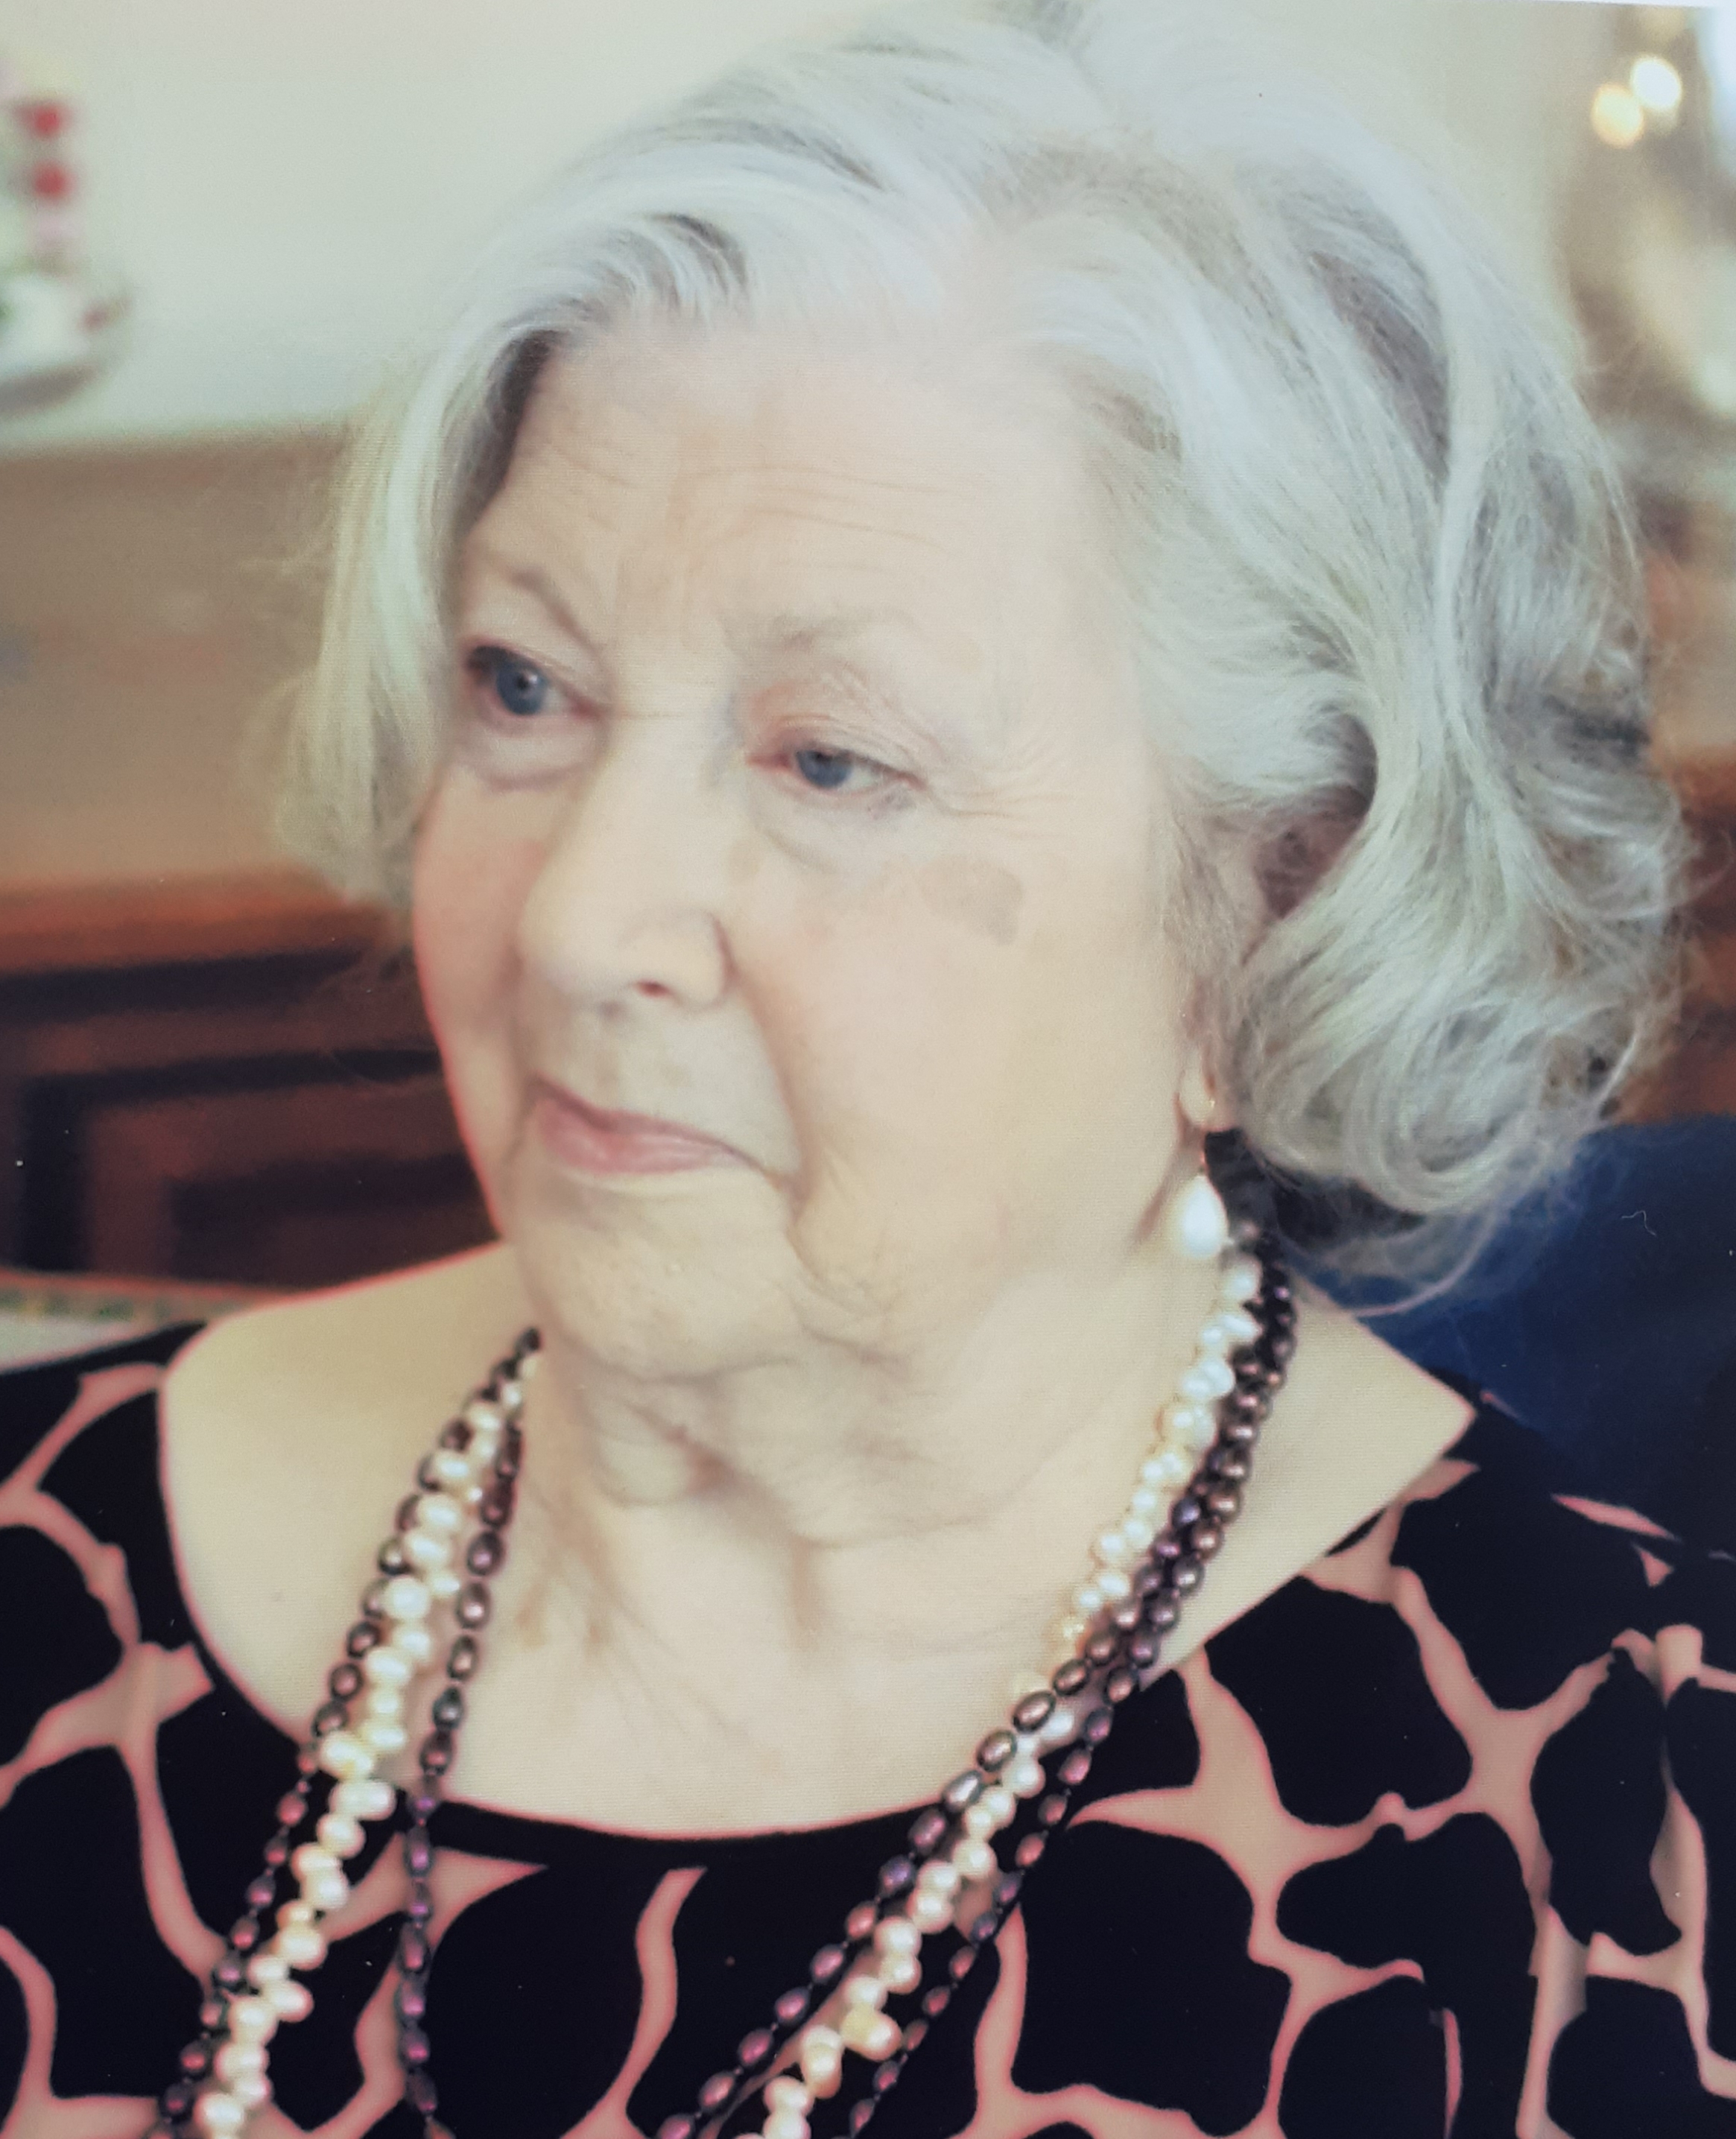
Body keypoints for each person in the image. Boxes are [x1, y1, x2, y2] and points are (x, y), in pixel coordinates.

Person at [1, 4, 1725, 2135]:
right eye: (524, 685)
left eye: (831, 760)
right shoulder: (43, 1573)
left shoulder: (1621, 1843)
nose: (577, 923)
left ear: (1277, 912)